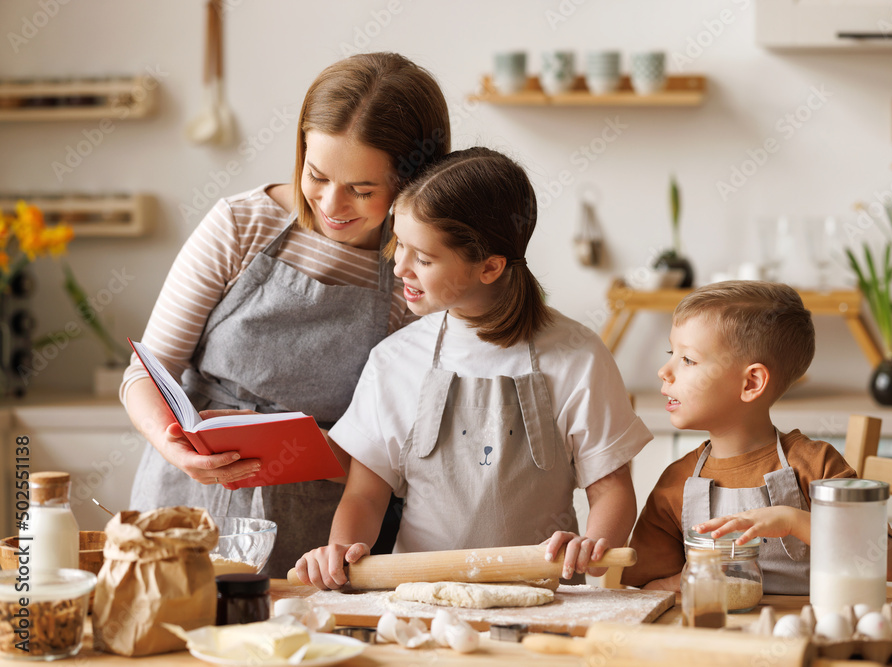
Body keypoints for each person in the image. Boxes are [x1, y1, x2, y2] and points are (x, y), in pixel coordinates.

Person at [121, 53, 451, 576]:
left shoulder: (413, 274)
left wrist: (309, 450)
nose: (332, 203)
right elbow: (145, 372)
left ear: (415, 182)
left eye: (362, 190)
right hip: (189, 503)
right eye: (316, 175)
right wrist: (174, 445)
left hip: (325, 536)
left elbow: (403, 453)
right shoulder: (241, 225)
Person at [293, 147, 653, 590]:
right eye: (399, 244)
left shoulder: (578, 355)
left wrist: (594, 547)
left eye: (423, 258)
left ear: (490, 267)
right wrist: (342, 554)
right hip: (418, 603)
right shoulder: (394, 359)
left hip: (544, 603)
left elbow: (611, 490)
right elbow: (366, 495)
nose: (399, 265)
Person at [620, 281, 892, 594]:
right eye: (670, 353)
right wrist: (693, 581)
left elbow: (891, 564)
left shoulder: (817, 465)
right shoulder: (676, 482)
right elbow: (643, 593)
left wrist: (794, 521)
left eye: (688, 359)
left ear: (751, 382)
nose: (664, 370)